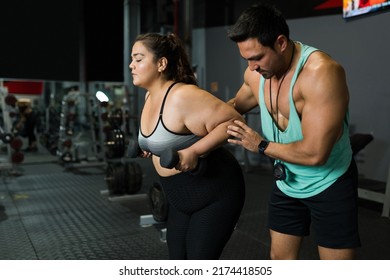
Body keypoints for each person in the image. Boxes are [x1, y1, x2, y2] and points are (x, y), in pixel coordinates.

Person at [225, 3, 361, 260]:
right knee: (280, 260)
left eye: (257, 57)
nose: (252, 67)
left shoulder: (321, 73)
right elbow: (232, 107)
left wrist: (260, 145)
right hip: (287, 182)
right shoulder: (256, 75)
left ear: (281, 43)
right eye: (247, 59)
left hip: (329, 181)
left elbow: (315, 154)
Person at [129, 33, 246, 259]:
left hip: (214, 192)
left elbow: (234, 122)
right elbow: (170, 138)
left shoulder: (182, 95)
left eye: (138, 58)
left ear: (161, 63)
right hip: (179, 198)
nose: (131, 65)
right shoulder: (150, 97)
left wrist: (194, 151)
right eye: (132, 59)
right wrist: (150, 148)